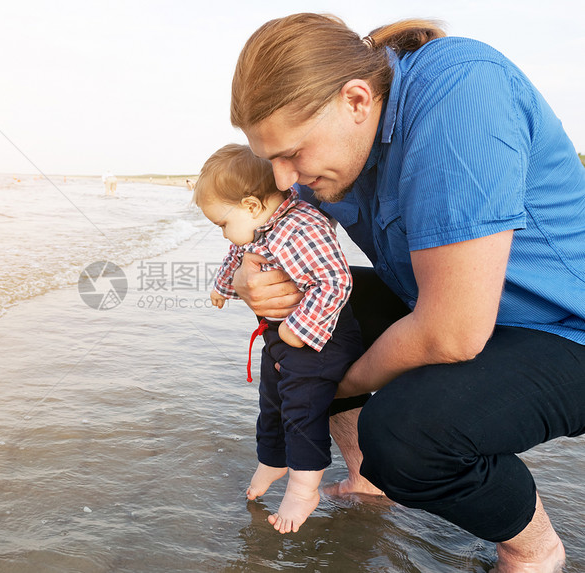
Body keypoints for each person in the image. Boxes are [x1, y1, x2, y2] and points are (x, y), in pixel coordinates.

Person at [229, 13, 585, 572]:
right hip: (454, 312)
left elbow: (452, 333)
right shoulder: (328, 159)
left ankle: (533, 550)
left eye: (292, 153)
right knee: (303, 314)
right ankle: (366, 477)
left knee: (405, 436)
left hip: (564, 329)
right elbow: (267, 226)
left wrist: (334, 380)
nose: (282, 179)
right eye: (270, 158)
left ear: (355, 101)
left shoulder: (461, 91)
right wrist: (249, 277)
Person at [196, 143, 366, 533]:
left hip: (322, 336)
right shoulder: (260, 227)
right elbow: (238, 255)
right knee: (271, 400)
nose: (224, 233)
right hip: (281, 335)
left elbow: (335, 281)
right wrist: (224, 285)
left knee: (301, 407)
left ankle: (305, 486)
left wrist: (299, 329)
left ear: (253, 204)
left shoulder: (302, 227)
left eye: (222, 223)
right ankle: (273, 459)